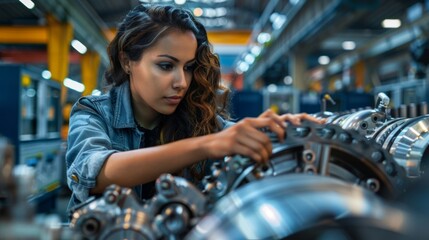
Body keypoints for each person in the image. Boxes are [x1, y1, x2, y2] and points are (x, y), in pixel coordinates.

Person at [65, 4, 324, 212]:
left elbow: (237, 138)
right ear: (127, 60)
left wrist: (285, 134)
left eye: (188, 67)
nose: (181, 82)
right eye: (166, 66)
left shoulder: (198, 118)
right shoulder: (93, 113)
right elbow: (95, 173)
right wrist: (207, 145)